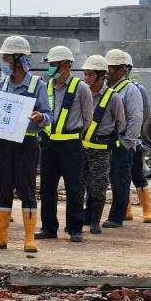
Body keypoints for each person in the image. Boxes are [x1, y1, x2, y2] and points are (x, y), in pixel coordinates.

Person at [0, 35, 51, 252]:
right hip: (4, 143)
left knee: (26, 189)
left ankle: (29, 238)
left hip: (27, 143)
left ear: (19, 59)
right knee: (3, 188)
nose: (4, 62)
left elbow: (49, 114)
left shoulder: (37, 85)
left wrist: (40, 117)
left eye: (7, 58)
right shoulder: (1, 84)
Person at [36, 45, 93, 243]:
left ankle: (75, 228)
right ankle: (48, 227)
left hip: (71, 145)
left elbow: (87, 118)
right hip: (48, 144)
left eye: (54, 64)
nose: (51, 68)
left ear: (67, 65)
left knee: (74, 187)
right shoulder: (46, 86)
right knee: (47, 188)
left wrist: (72, 133)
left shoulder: (80, 88)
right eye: (50, 64)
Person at [80, 55, 125, 234]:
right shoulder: (81, 92)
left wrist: (107, 136)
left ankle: (95, 222)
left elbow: (120, 123)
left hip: (101, 150)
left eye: (90, 74)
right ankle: (78, 220)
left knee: (98, 186)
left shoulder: (113, 97)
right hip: (81, 147)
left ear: (101, 75)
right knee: (78, 185)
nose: (87, 78)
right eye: (85, 74)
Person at [103, 49, 144, 228]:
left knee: (120, 181)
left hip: (122, 142)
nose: (106, 71)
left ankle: (116, 217)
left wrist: (126, 143)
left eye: (110, 68)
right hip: (106, 142)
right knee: (104, 180)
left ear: (122, 70)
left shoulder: (130, 90)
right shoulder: (106, 88)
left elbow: (136, 119)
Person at [124, 52, 151, 223]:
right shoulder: (109, 88)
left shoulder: (138, 89)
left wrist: (135, 133)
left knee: (136, 173)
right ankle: (126, 210)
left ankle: (147, 210)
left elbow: (145, 115)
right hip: (115, 140)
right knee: (120, 177)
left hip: (134, 141)